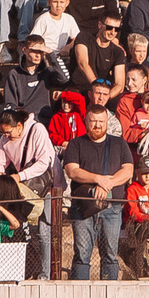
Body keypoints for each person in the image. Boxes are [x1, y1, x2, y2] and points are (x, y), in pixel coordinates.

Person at [63, 102, 134, 280]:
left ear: (107, 122)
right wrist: (97, 179)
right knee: (82, 254)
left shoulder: (119, 143)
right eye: (93, 121)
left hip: (112, 207)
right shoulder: (76, 144)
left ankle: (110, 292)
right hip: (83, 206)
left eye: (101, 121)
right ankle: (80, 292)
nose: (97, 125)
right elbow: (72, 171)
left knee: (110, 255)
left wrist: (107, 184)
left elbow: (128, 171)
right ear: (86, 121)